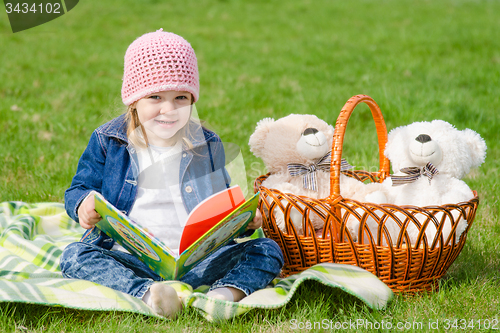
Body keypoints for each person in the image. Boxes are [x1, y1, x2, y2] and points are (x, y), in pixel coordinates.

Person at [60, 30, 284, 319]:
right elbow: (78, 188)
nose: (169, 109)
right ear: (134, 100)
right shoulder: (108, 140)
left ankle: (221, 297)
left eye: (180, 97)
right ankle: (148, 294)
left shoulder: (206, 144)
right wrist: (82, 205)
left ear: (192, 99)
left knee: (267, 249)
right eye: (155, 97)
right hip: (130, 258)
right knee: (74, 256)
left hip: (199, 262)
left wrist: (244, 222)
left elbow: (221, 208)